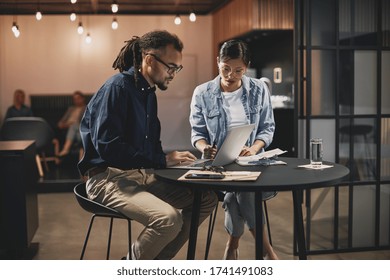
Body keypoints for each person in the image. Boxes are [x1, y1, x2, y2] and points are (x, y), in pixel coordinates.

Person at [77, 30, 217, 260]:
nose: (174, 74)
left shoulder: (148, 93)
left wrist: (181, 165)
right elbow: (108, 147)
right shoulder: (118, 88)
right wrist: (162, 160)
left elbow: (151, 147)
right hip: (106, 179)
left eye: (177, 68)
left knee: (207, 199)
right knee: (169, 219)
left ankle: (152, 265)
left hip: (137, 176)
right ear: (150, 59)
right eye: (171, 66)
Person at [189, 39, 279, 260]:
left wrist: (255, 148)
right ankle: (268, 253)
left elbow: (267, 128)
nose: (231, 75)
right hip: (219, 168)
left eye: (238, 70)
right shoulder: (202, 93)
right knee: (242, 194)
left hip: (252, 165)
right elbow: (197, 134)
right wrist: (206, 148)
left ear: (246, 66)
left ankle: (232, 245)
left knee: (235, 198)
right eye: (225, 68)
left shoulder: (259, 89)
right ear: (217, 62)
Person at [55, 91, 86, 158]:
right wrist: (62, 124)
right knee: (76, 133)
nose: (76, 100)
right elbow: (61, 122)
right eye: (74, 99)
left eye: (78, 98)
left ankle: (65, 149)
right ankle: (81, 157)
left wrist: (72, 125)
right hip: (67, 129)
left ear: (83, 98)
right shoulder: (70, 109)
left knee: (74, 126)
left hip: (79, 128)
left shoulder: (86, 108)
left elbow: (84, 123)